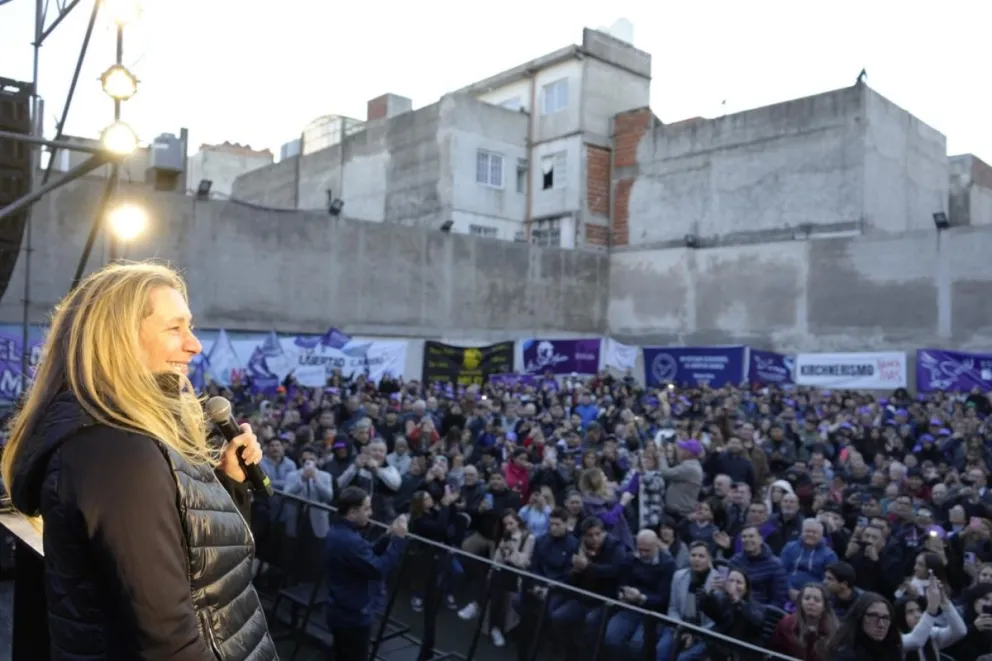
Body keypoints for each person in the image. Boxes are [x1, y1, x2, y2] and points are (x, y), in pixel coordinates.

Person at [0, 262, 277, 660]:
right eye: (174, 328)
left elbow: (203, 574)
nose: (194, 345)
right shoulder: (116, 453)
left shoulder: (137, 436)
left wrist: (228, 482)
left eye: (190, 326)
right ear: (117, 339)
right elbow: (169, 640)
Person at [323, 486, 408, 661]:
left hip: (341, 610)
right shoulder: (349, 540)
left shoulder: (340, 532)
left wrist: (386, 537)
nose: (371, 513)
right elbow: (377, 569)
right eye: (367, 508)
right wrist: (398, 541)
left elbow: (365, 554)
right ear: (353, 512)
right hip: (352, 617)